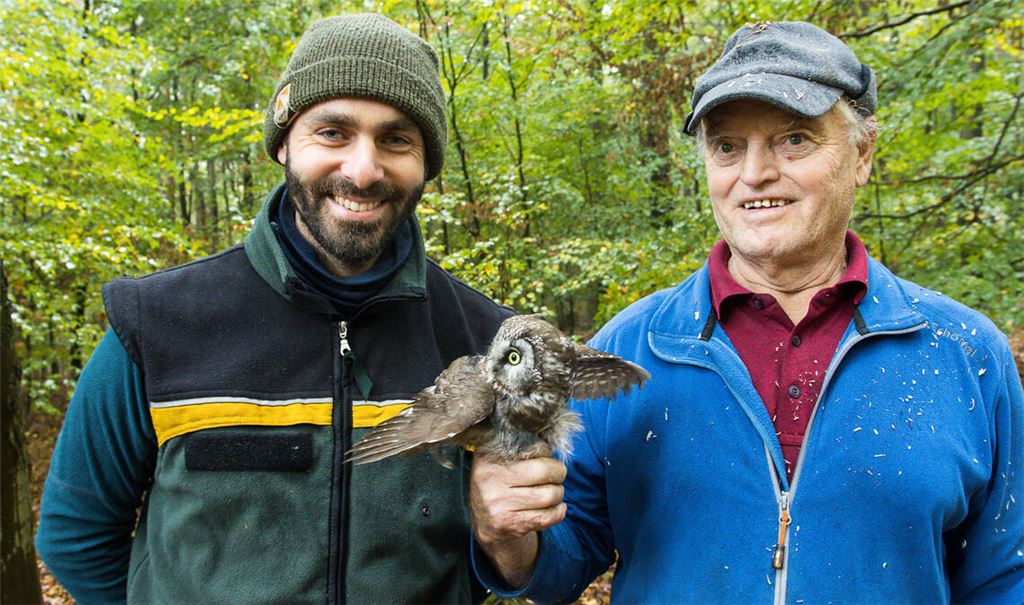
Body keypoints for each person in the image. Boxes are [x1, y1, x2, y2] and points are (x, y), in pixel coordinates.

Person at [469, 21, 1024, 604]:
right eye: (728, 146)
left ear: (862, 154)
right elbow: (563, 559)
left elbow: (1004, 576)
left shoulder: (961, 353)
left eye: (794, 139)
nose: (754, 174)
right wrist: (503, 533)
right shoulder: (630, 349)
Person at [36, 13, 512, 603]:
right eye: (333, 133)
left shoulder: (485, 344)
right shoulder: (156, 325)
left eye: (396, 139)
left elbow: (504, 551)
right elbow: (75, 535)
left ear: (426, 163)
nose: (363, 171)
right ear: (284, 142)